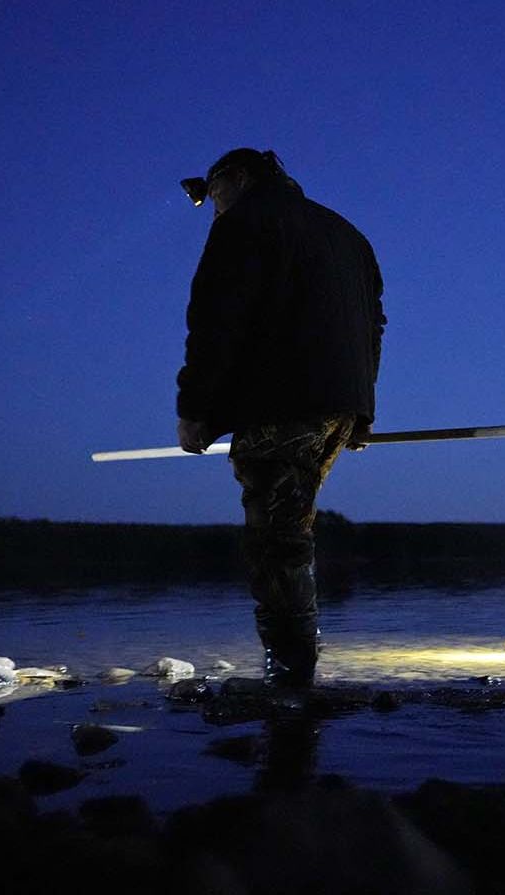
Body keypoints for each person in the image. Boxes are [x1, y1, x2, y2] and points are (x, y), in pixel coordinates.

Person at [175, 147, 385, 687]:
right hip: (338, 407)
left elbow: (215, 321)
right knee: (291, 528)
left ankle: (290, 677)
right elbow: (373, 325)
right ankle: (295, 671)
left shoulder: (245, 223)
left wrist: (195, 410)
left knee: (274, 540)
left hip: (283, 403)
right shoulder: (346, 234)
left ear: (239, 178)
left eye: (211, 190)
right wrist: (360, 413)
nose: (211, 205)